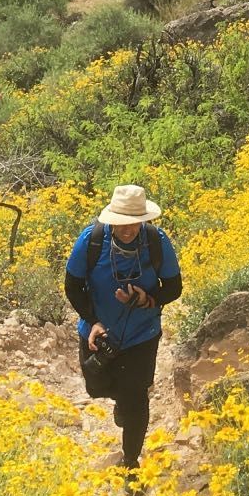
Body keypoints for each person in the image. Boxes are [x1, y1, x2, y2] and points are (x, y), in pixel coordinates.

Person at [63, 184, 183, 479]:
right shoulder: (91, 241)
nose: (128, 229)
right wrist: (93, 322)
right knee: (97, 386)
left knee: (136, 397)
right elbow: (72, 286)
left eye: (134, 221)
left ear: (143, 219)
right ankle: (122, 402)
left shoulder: (156, 241)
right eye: (121, 222)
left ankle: (130, 463)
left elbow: (174, 287)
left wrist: (147, 299)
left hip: (141, 334)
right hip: (99, 333)